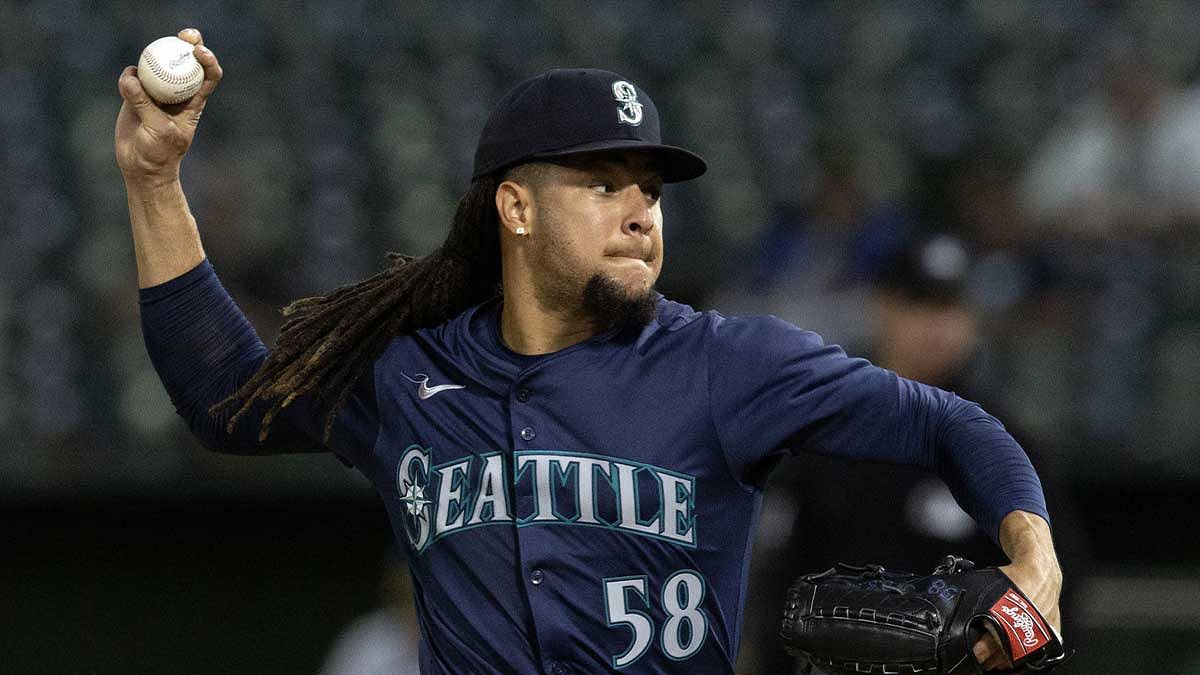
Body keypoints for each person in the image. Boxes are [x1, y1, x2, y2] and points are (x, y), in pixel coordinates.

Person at [117, 28, 1063, 674]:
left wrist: (1034, 558)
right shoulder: (408, 373)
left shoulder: (728, 364)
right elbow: (224, 398)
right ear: (516, 208)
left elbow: (951, 423)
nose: (640, 209)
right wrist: (156, 181)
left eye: (649, 187)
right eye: (603, 183)